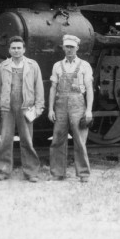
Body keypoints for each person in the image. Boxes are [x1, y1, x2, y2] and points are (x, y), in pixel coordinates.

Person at [0, 36, 45, 182]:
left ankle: (31, 172)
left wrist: (39, 107)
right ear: (9, 50)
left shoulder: (33, 65)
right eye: (13, 48)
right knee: (5, 140)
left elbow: (39, 87)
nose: (16, 50)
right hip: (7, 106)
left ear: (24, 49)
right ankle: (2, 170)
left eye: (19, 48)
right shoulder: (3, 66)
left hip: (26, 107)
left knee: (27, 140)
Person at [48, 34, 94, 182]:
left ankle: (83, 174)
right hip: (60, 104)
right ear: (63, 47)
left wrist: (88, 110)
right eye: (67, 46)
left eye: (72, 47)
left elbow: (89, 88)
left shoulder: (84, 65)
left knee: (80, 140)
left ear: (77, 48)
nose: (69, 49)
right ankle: (57, 173)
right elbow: (53, 88)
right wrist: (50, 109)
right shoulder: (57, 66)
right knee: (57, 139)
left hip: (78, 104)